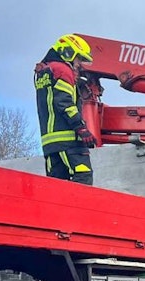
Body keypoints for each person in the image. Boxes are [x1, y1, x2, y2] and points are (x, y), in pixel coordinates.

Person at [34, 34, 96, 185]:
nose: (79, 64)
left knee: (57, 186)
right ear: (68, 52)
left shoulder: (43, 72)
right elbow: (64, 102)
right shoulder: (63, 70)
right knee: (83, 178)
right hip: (69, 142)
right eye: (78, 59)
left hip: (50, 144)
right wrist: (81, 128)